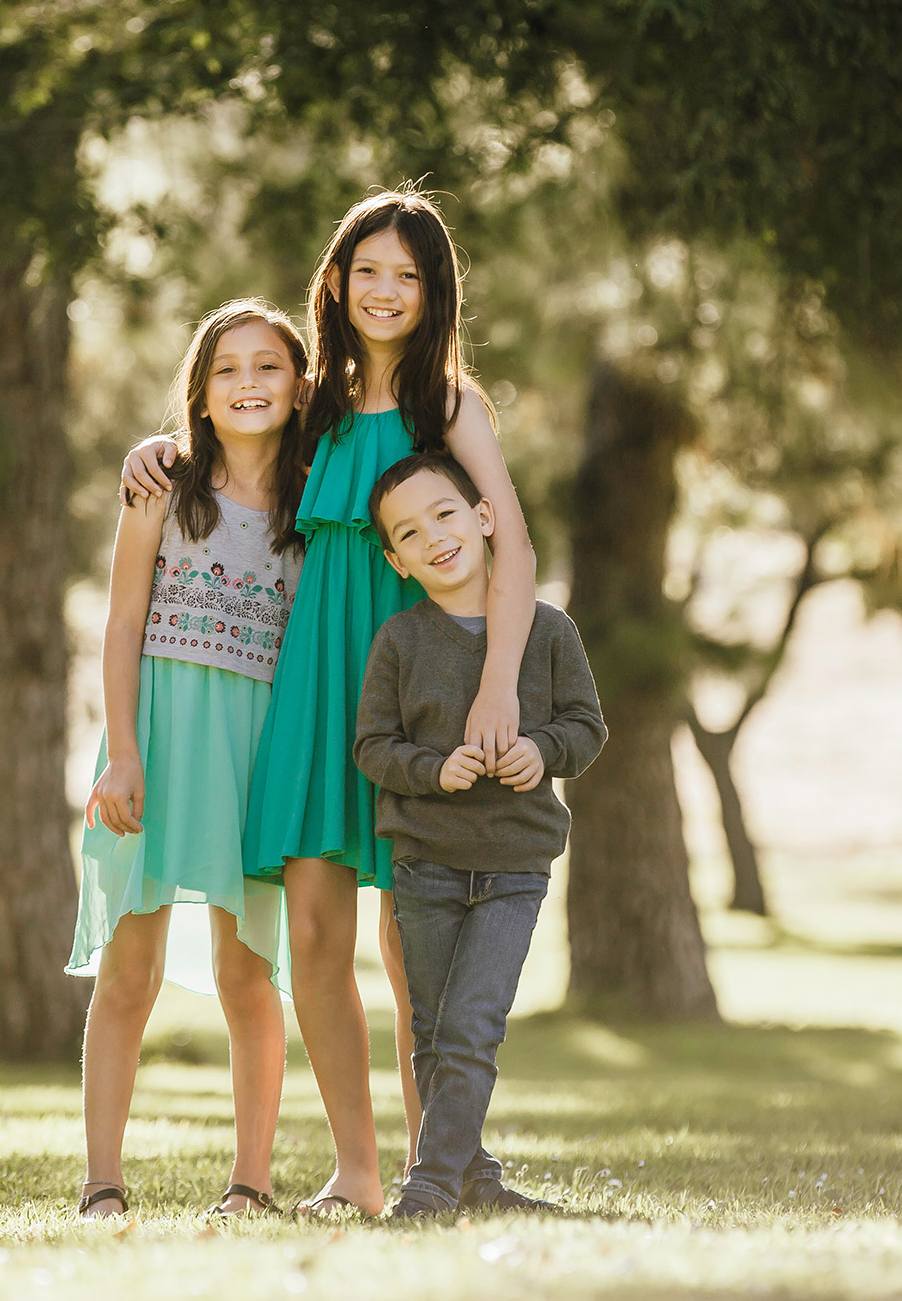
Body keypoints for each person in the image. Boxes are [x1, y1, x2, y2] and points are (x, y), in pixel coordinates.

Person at [120, 190, 539, 1217]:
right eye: (368, 271)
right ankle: (355, 1170)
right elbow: (230, 435)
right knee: (312, 929)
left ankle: (432, 1170)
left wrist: (495, 689)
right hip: (314, 684)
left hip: (424, 685)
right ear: (337, 285)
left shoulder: (450, 408)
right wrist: (153, 450)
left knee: (412, 936)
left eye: (407, 274)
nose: (385, 291)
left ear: (434, 290)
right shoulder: (312, 407)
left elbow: (513, 549)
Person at [71, 299, 309, 1220]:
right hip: (159, 735)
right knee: (131, 968)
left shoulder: (314, 494)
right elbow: (124, 619)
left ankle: (251, 1184)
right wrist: (122, 752)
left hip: (260, 748)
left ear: (298, 385)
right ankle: (101, 1185)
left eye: (269, 367)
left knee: (248, 971)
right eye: (227, 371)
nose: (249, 384)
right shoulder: (161, 485)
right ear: (200, 395)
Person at [355, 451, 606, 1219]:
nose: (434, 536)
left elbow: (586, 727)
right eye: (409, 532)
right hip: (425, 867)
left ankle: (429, 1185)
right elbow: (372, 747)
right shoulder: (401, 641)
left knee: (472, 1023)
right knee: (432, 1033)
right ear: (396, 560)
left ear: (485, 518)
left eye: (446, 513)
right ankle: (477, 1181)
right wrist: (434, 771)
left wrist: (543, 751)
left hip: (514, 866)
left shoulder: (549, 630)